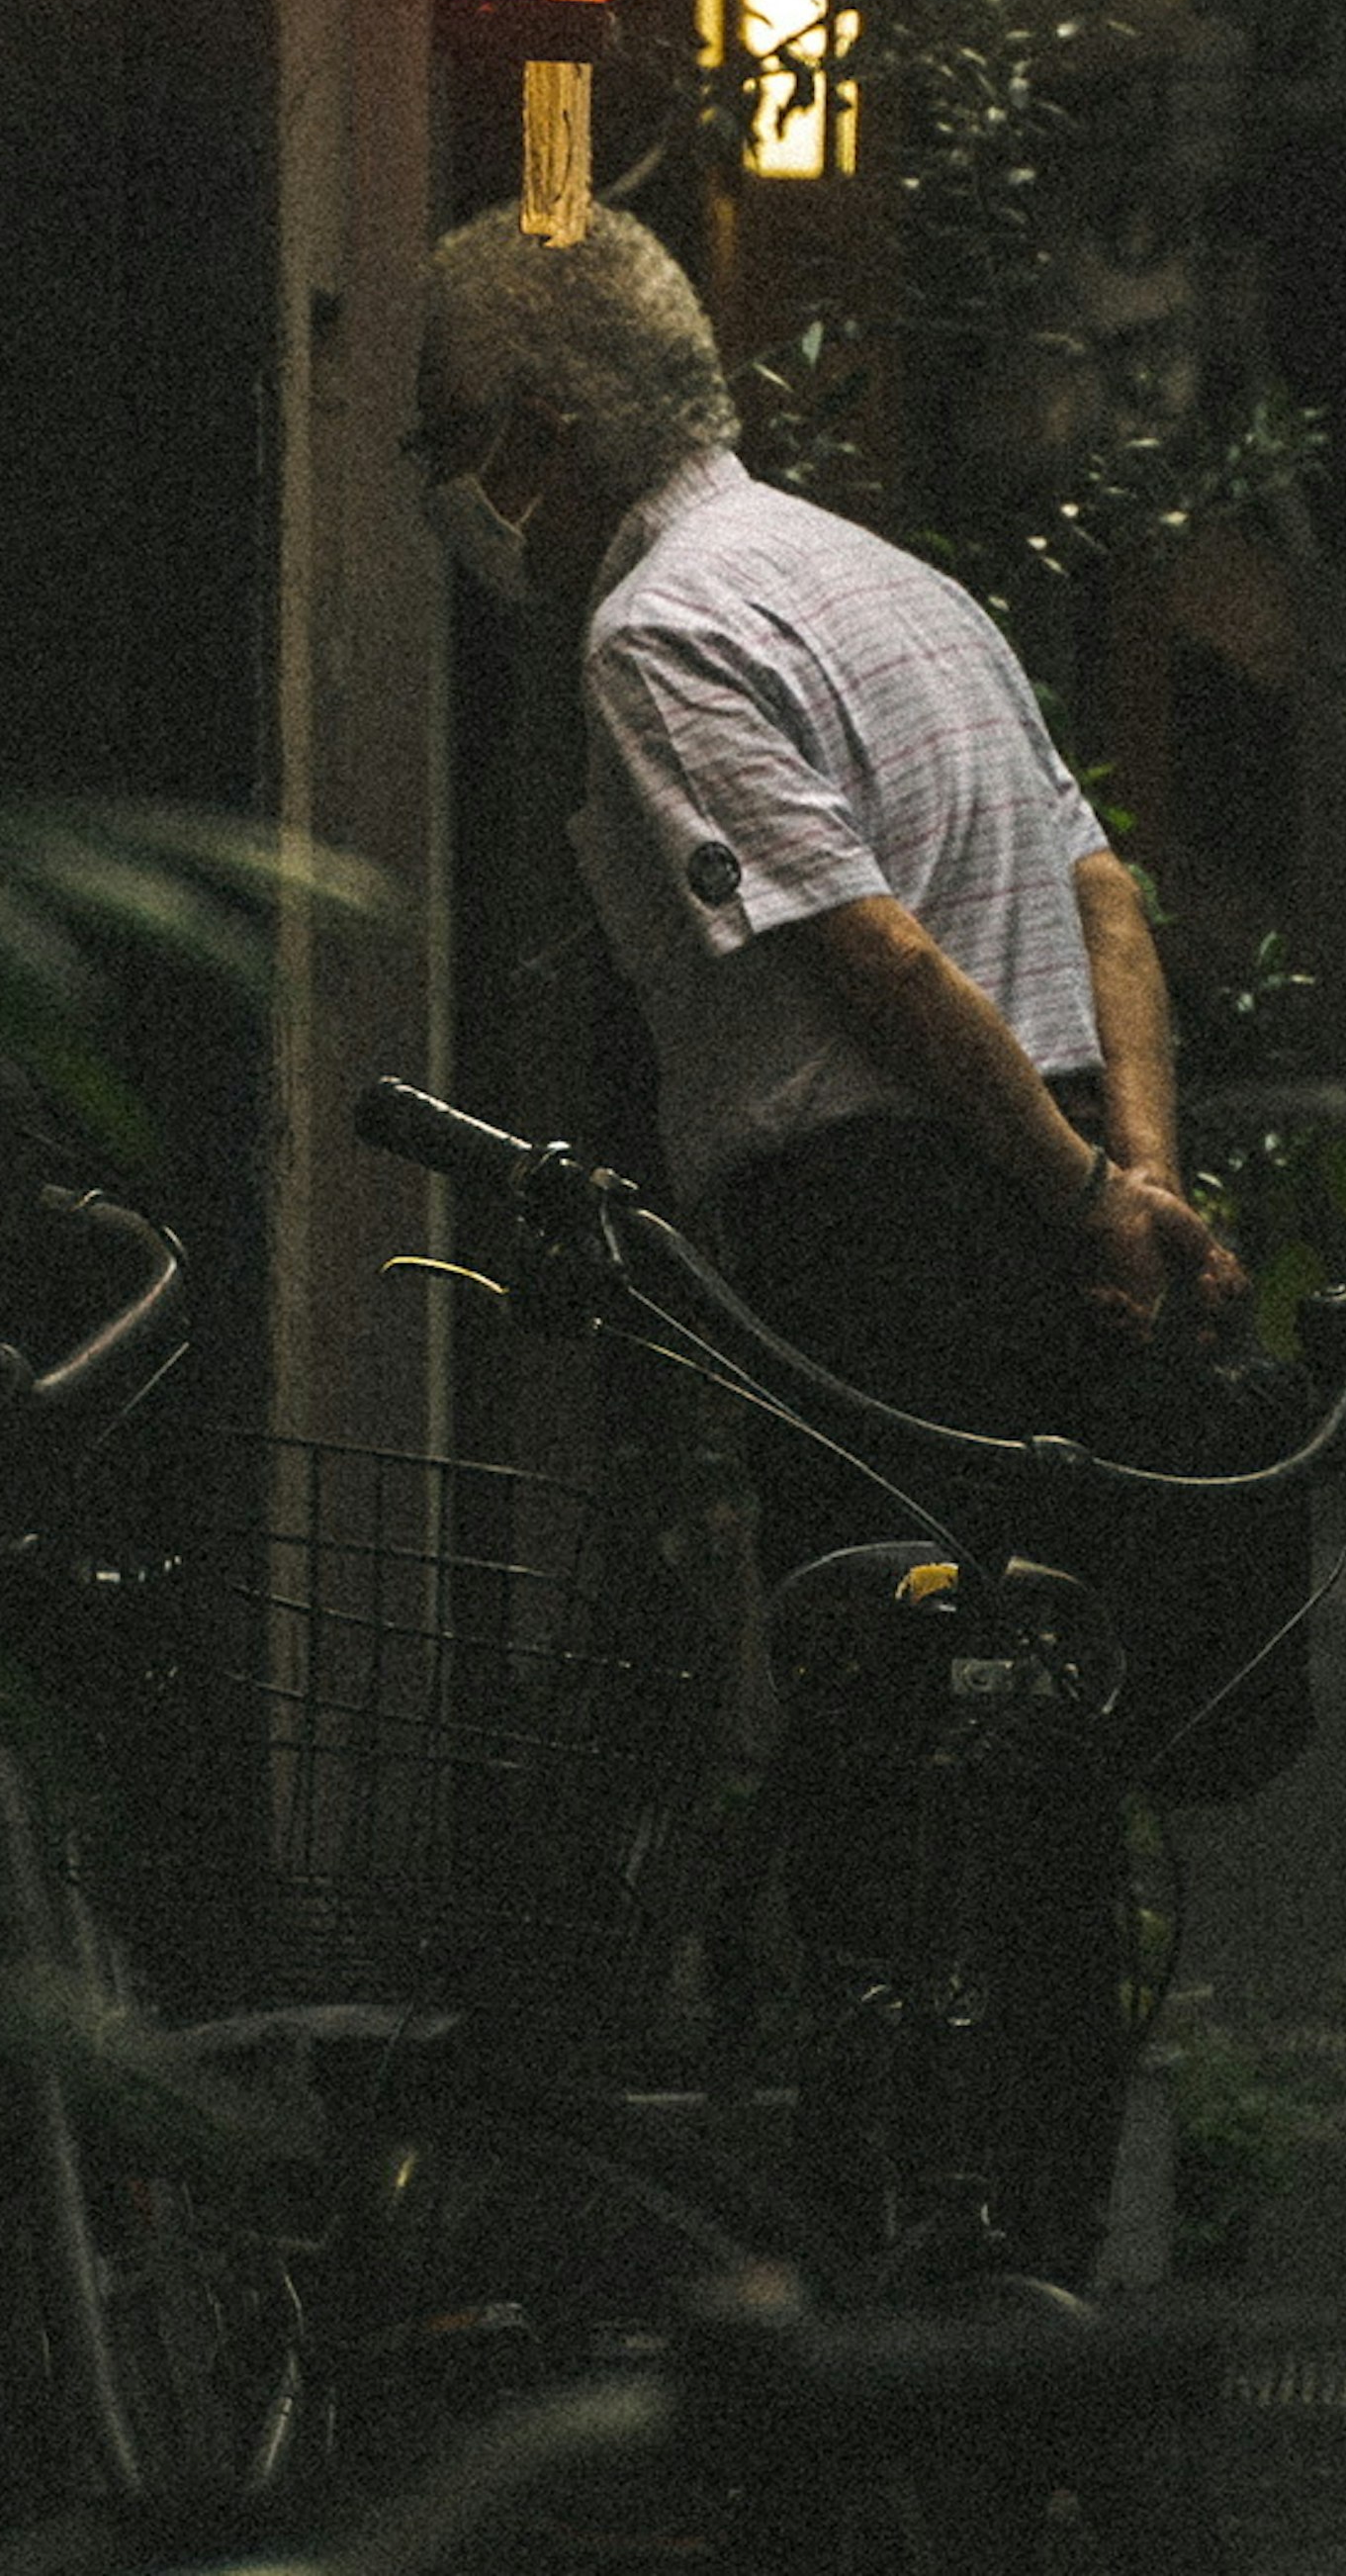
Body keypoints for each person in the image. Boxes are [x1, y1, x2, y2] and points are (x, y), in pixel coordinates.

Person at [409, 199, 1252, 2267]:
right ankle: (1037, 2229)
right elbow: (1104, 889)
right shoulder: (889, 578)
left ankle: (904, 2249)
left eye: (443, 435)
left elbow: (869, 956)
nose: (438, 486)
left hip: (886, 1230)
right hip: (1046, 1189)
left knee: (888, 1717)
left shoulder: (659, 625)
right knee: (1030, 1723)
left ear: (539, 425)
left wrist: (1069, 1199)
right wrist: (1130, 1183)